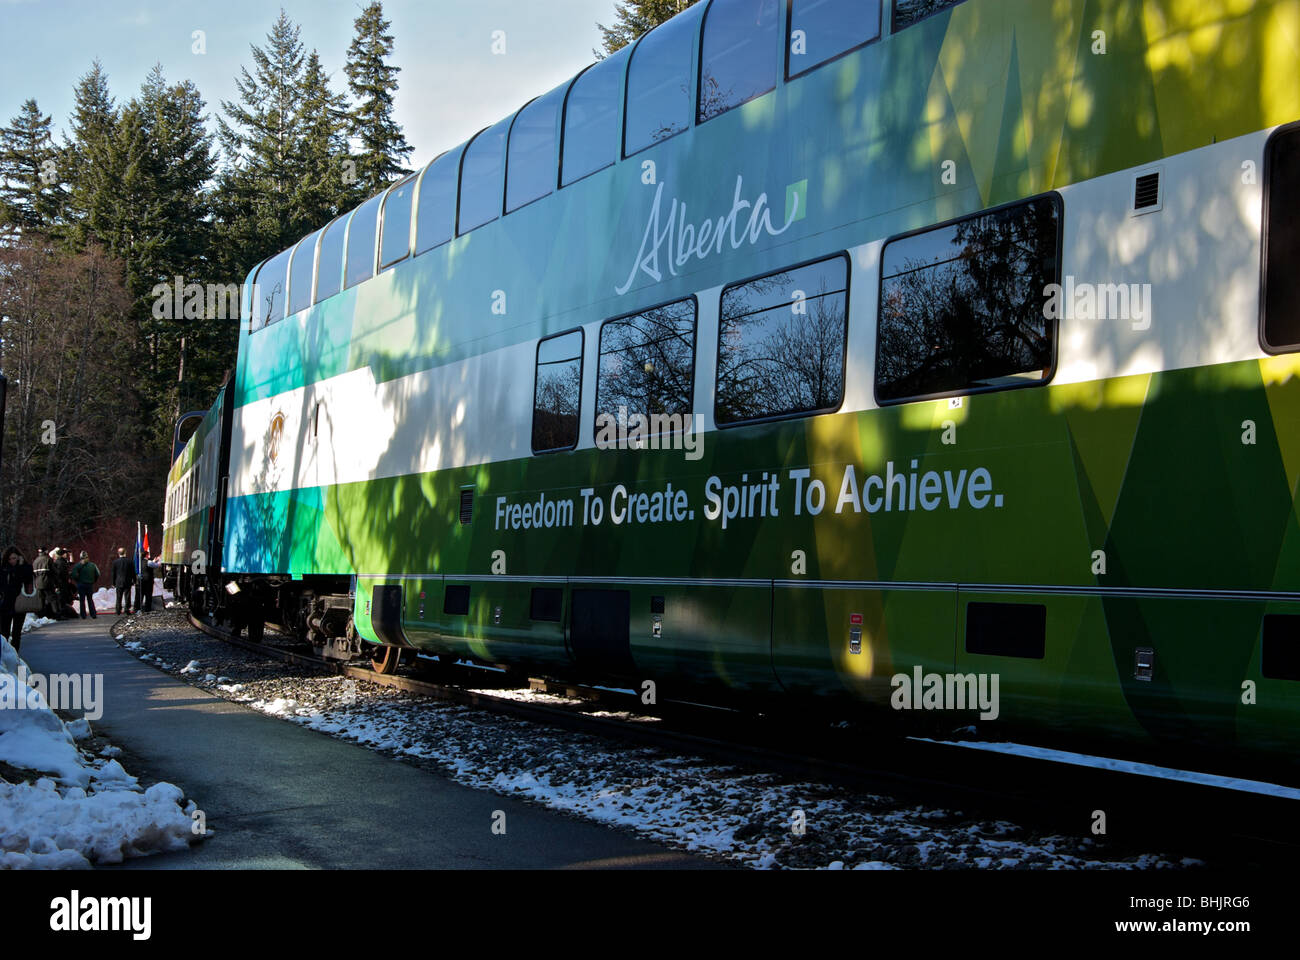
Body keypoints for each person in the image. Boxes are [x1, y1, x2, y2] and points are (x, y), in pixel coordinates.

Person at [1, 546, 35, 652]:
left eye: (14, 558)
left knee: (16, 633)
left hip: (20, 603)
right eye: (10, 558)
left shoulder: (25, 567)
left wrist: (20, 566)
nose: (12, 561)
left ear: (19, 557)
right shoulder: (3, 568)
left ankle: (15, 656)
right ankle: (5, 656)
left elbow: (28, 578)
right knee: (4, 632)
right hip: (5, 603)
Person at [71, 551, 101, 619]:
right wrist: (93, 580)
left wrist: (78, 581)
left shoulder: (77, 566)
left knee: (82, 600)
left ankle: (83, 615)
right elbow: (98, 574)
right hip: (89, 584)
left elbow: (74, 575)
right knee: (90, 599)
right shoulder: (92, 565)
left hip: (81, 584)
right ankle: (93, 614)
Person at [31, 546, 56, 620]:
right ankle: (55, 614)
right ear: (46, 551)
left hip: (38, 583)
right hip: (47, 582)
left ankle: (42, 615)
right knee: (52, 598)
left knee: (41, 599)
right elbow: (54, 571)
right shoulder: (48, 559)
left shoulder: (35, 561)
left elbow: (33, 573)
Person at [111, 546, 136, 615]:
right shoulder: (130, 561)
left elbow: (113, 573)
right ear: (125, 552)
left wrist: (113, 583)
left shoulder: (115, 562)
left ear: (118, 553)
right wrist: (134, 580)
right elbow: (133, 572)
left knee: (119, 596)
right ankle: (127, 609)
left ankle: (118, 610)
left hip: (118, 581)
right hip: (127, 581)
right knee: (127, 596)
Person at [52, 547, 73, 616]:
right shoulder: (61, 562)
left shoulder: (61, 561)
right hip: (62, 583)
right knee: (62, 598)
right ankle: (63, 613)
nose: (66, 554)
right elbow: (61, 573)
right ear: (62, 554)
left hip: (62, 583)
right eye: (65, 553)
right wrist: (68, 575)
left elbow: (71, 563)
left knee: (63, 598)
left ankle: (64, 612)